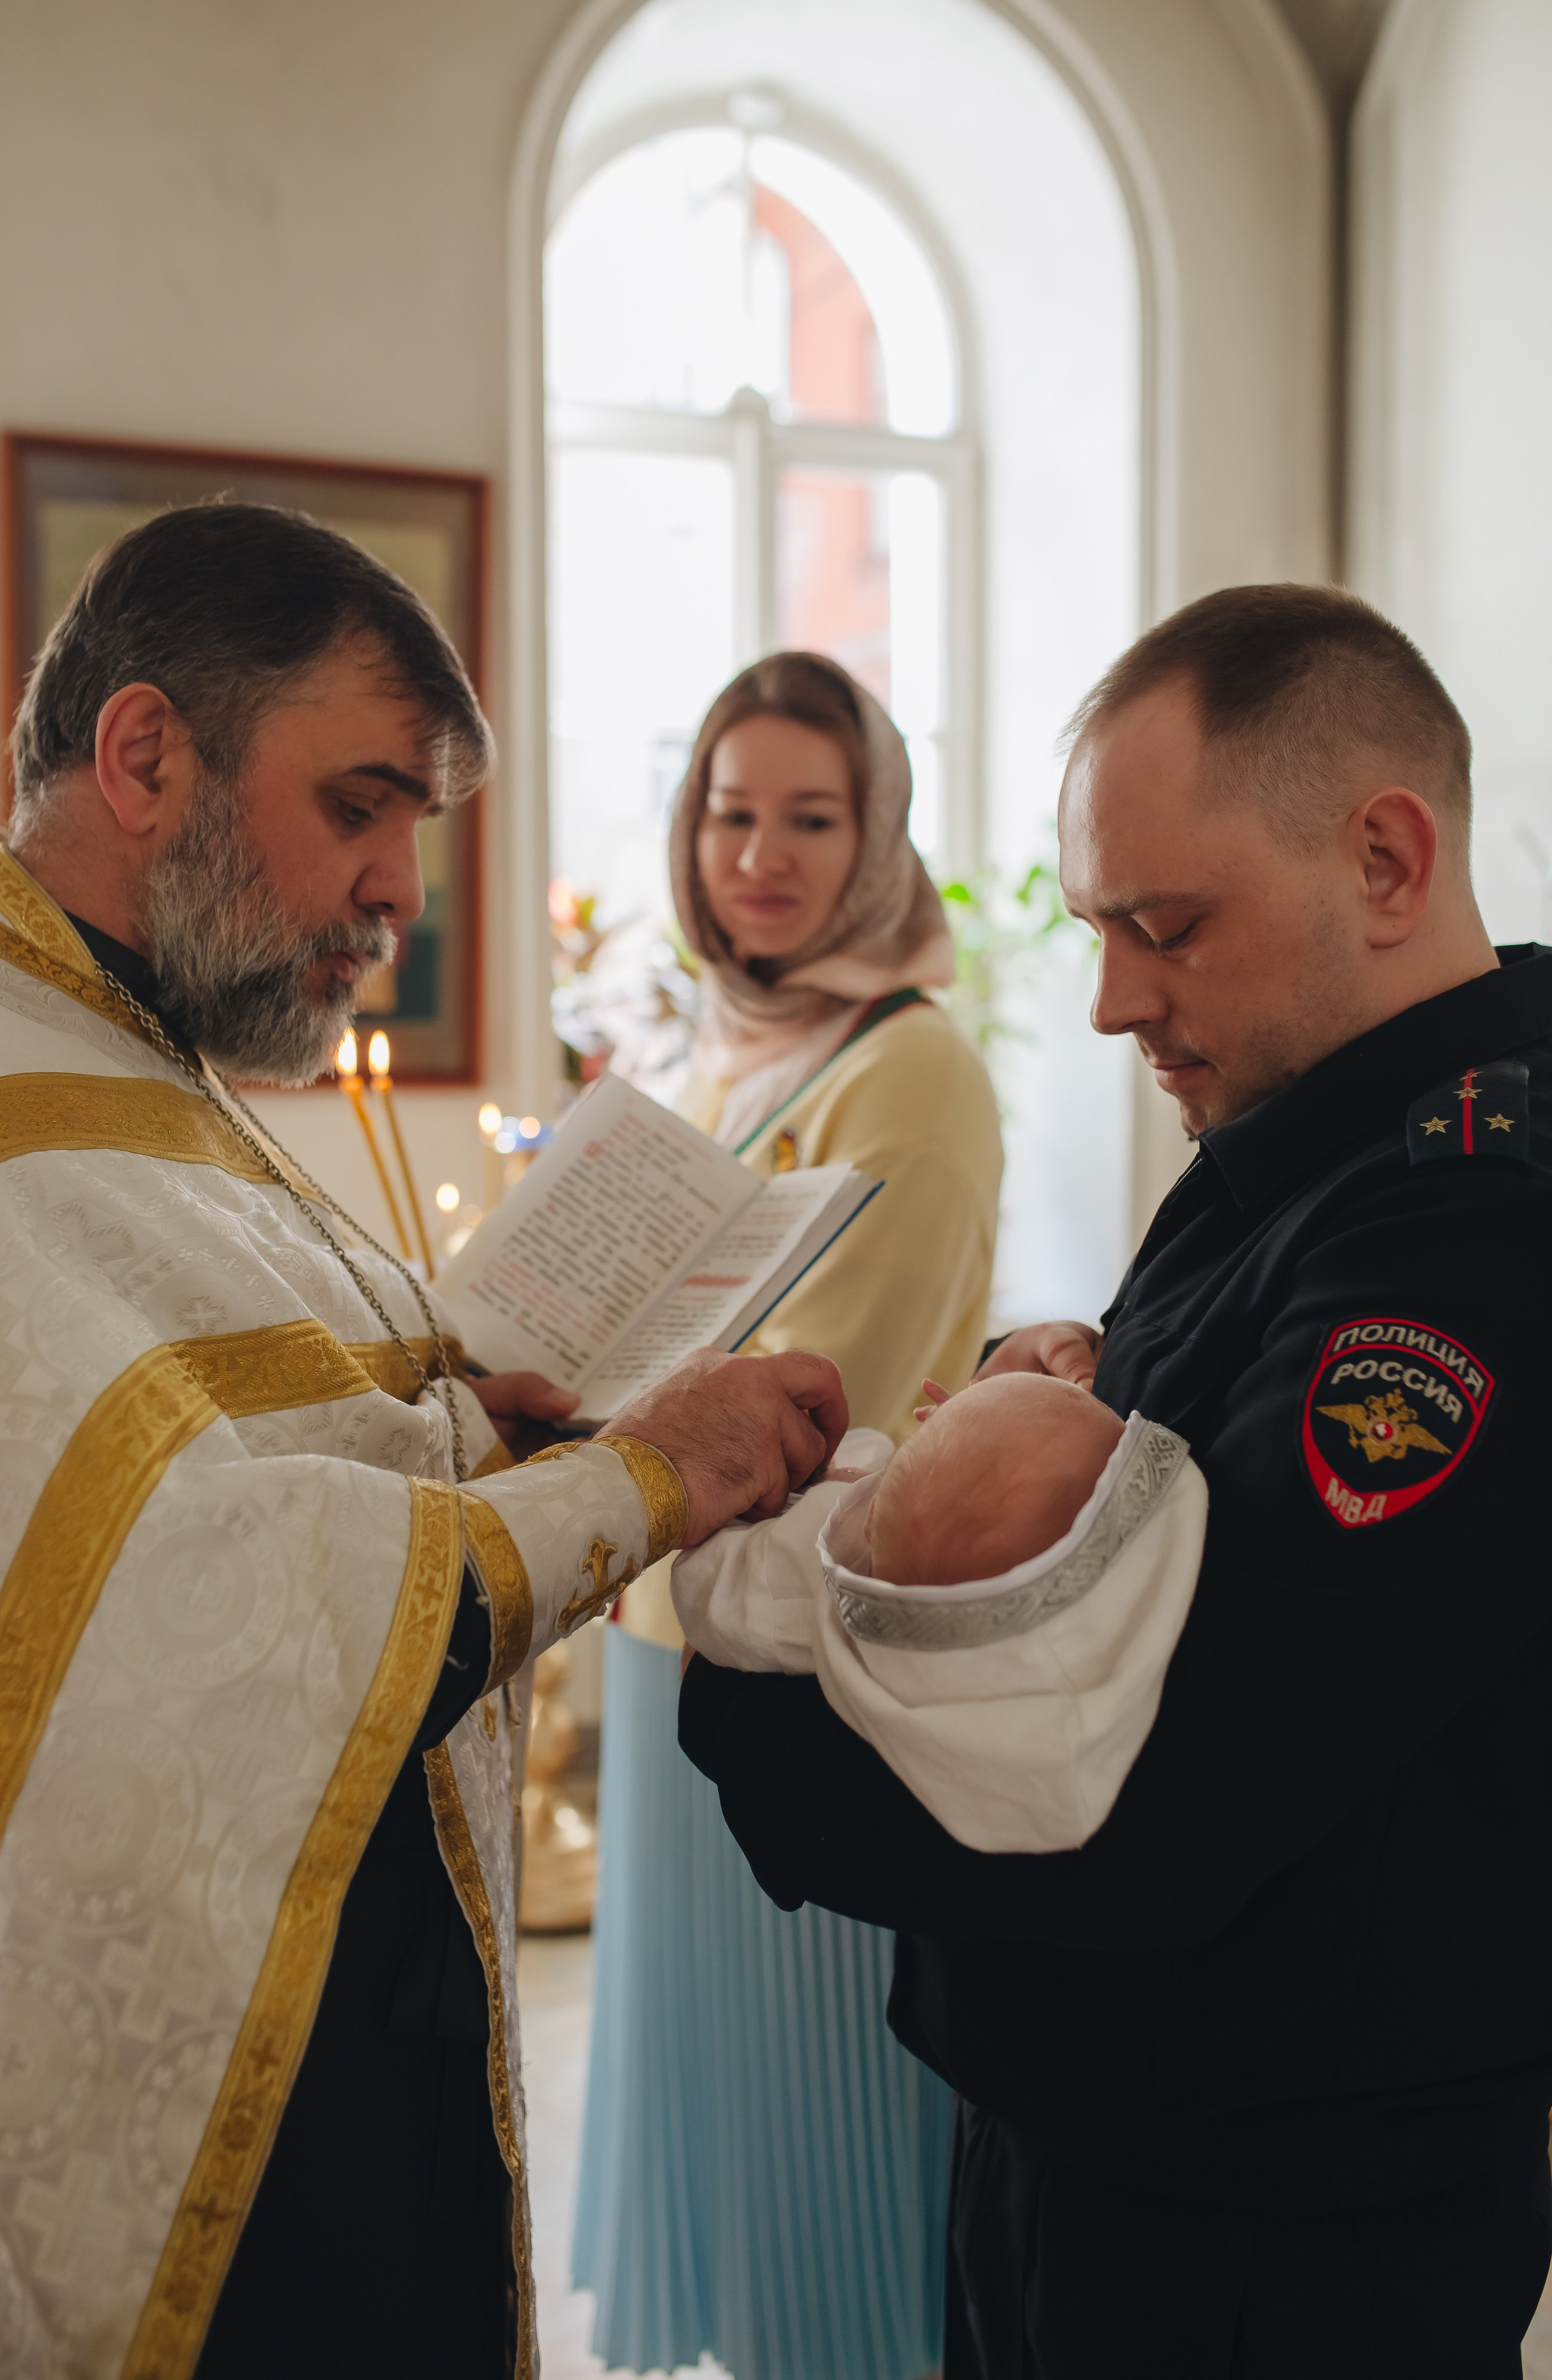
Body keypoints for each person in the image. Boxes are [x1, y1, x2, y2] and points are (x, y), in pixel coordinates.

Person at [0, 500, 848, 2380]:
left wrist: (458, 1420)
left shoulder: (117, 1043)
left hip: (341, 2030)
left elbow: (230, 1449)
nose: (398, 890)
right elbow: (198, 1609)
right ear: (143, 751)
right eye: (357, 805)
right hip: (229, 2132)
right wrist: (650, 1469)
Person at [681, 584, 1552, 2379]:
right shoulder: (1302, 1140)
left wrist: (754, 1695)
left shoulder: (1468, 1225)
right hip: (1115, 2144)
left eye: (1165, 925)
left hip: (1277, 2227)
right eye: (1098, 928)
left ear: (1389, 858)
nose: (1109, 1001)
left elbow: (1164, 1772)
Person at [574, 653, 1003, 2380]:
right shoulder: (718, 1055)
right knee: (715, 2108)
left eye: (811, 818)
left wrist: (618, 1417)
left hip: (795, 1667)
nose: (762, 853)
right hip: (661, 1641)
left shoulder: (914, 1068)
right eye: (732, 812)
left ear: (877, 835)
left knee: (816, 2140)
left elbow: (842, 1397)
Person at [673, 1374, 1205, 1854]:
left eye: (918, 1443)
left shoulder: (807, 1570)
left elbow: (704, 1585)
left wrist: (824, 1487)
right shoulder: (1108, 1611)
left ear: (872, 1516)